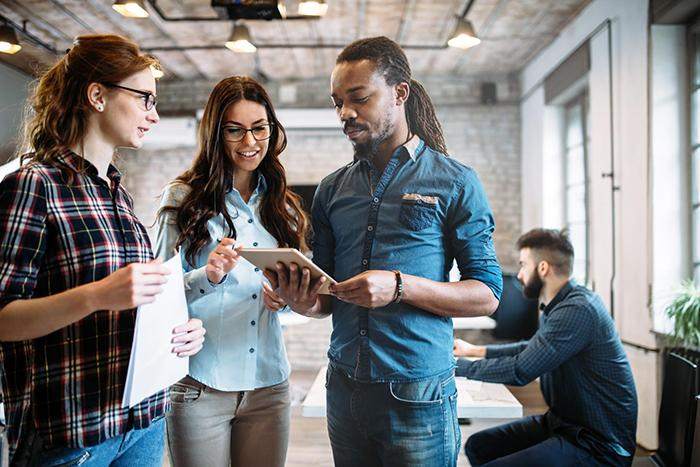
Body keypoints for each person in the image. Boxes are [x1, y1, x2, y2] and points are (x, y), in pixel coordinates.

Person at [266, 36, 503, 467]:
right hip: (344, 388)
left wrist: (399, 286)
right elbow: (325, 300)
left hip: (418, 396)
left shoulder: (455, 182)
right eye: (337, 102)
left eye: (358, 98)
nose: (345, 113)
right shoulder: (331, 190)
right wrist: (302, 300)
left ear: (400, 93)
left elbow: (487, 294)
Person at [0, 34, 205, 466]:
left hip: (143, 421)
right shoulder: (34, 185)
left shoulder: (117, 193)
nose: (154, 114)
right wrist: (95, 296)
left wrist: (178, 332)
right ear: (97, 95)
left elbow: (132, 303)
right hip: (75, 435)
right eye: (145, 98)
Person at [154, 76, 308, 467]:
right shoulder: (182, 197)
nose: (250, 142)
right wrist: (209, 275)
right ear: (215, 134)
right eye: (235, 131)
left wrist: (287, 300)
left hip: (269, 386)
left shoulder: (283, 206)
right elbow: (158, 292)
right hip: (200, 386)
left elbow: (295, 304)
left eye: (259, 129)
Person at [454, 228, 638, 466]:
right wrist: (475, 351)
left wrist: (460, 367)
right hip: (564, 424)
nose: (519, 274)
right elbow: (533, 348)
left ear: (542, 268)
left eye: (523, 265)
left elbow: (521, 371)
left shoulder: (578, 310)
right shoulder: (560, 305)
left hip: (598, 445)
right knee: (478, 446)